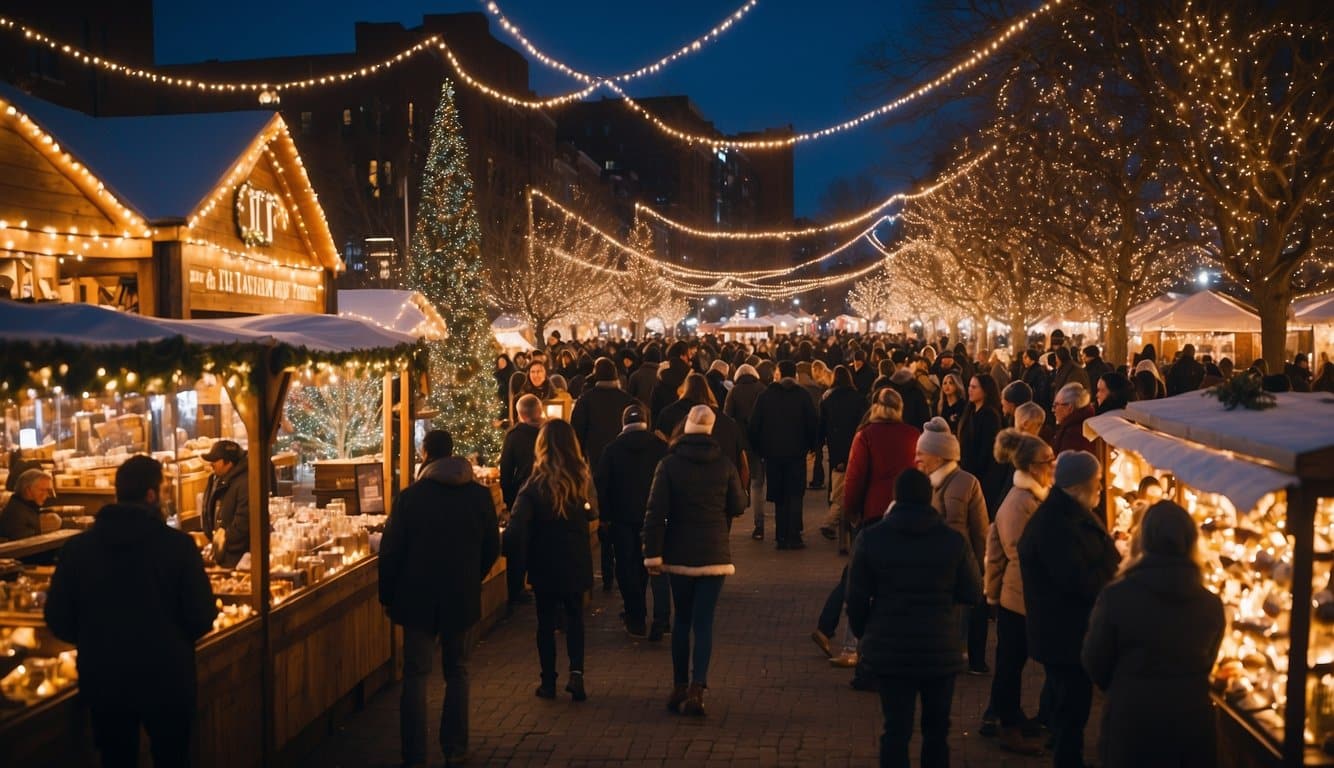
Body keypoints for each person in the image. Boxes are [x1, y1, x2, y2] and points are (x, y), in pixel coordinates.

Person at [44, 455, 215, 768]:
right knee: (172, 758)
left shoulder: (77, 550)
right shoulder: (177, 546)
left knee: (116, 759)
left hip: (105, 678)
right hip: (167, 677)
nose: (165, 497)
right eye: (164, 491)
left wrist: (92, 640)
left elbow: (57, 617)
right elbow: (202, 615)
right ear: (150, 495)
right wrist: (173, 641)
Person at [379, 429, 500, 768]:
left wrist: (388, 595)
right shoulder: (478, 496)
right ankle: (455, 747)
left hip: (416, 598)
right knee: (457, 671)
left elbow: (391, 552)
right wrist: (471, 578)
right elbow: (492, 545)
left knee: (416, 675)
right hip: (460, 596)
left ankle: (414, 754)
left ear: (425, 454)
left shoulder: (411, 498)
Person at [846, 468, 983, 768]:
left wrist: (866, 631)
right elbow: (973, 591)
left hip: (890, 647)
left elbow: (855, 598)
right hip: (939, 648)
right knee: (937, 732)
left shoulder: (872, 538)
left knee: (895, 730)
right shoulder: (952, 541)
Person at [1082, 501, 1224, 768]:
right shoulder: (1210, 604)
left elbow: (1095, 660)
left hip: (1134, 719)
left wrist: (1124, 684)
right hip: (1191, 721)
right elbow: (1209, 660)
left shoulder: (1117, 597)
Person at [1018, 450, 1121, 768]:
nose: (1101, 488)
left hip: (1066, 629)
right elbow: (1075, 579)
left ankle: (1067, 753)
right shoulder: (1056, 524)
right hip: (1064, 631)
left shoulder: (1070, 514)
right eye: (1097, 482)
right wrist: (1112, 570)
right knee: (1071, 704)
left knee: (1070, 702)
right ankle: (1067, 758)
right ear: (1079, 485)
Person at [644, 405, 747, 717]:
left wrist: (653, 553)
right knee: (704, 622)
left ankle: (678, 684)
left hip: (679, 552)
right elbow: (739, 503)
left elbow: (655, 512)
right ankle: (697, 687)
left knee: (682, 620)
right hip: (714, 553)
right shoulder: (724, 464)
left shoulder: (669, 464)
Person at [514, 419, 598, 702]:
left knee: (545, 622)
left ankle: (548, 680)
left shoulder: (534, 483)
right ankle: (577, 674)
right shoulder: (582, 478)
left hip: (544, 561)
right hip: (575, 558)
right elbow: (593, 513)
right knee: (575, 618)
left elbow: (518, 523)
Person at [982, 429, 1055, 755]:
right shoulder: (1020, 502)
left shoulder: (1032, 498)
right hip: (1020, 596)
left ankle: (1003, 714)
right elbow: (1014, 552)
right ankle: (1006, 723)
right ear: (1032, 466)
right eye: (1047, 461)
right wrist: (994, 596)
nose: (1052, 466)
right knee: (1011, 663)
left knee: (1013, 660)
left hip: (1020, 594)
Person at [915, 417, 989, 676]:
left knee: (967, 607)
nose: (917, 458)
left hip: (960, 558)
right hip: (941, 559)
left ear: (938, 455)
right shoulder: (924, 483)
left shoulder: (967, 482)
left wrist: (981, 564)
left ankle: (970, 658)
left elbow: (980, 530)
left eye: (922, 453)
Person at [596, 405, 671, 640]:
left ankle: (635, 615)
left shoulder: (612, 449)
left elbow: (602, 486)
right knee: (647, 563)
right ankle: (655, 614)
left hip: (621, 517)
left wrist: (605, 517)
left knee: (625, 564)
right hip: (653, 517)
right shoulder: (660, 448)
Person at [570, 358, 639, 595]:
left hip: (596, 466)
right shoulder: (627, 400)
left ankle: (607, 570)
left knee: (604, 516)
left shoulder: (586, 400)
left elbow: (575, 434)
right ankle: (623, 568)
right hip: (627, 468)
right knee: (621, 515)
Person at [749, 360, 819, 549]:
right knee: (795, 493)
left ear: (779, 373)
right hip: (797, 453)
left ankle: (781, 535)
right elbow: (812, 423)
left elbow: (755, 425)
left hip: (773, 455)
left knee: (779, 495)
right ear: (794, 374)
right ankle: (794, 535)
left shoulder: (766, 395)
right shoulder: (803, 395)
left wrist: (759, 449)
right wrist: (812, 446)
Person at [499, 394, 544, 606]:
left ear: (520, 414)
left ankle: (517, 589)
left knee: (520, 542)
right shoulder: (551, 431)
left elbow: (506, 471)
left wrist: (509, 501)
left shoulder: (514, 435)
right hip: (548, 493)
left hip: (522, 494)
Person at [817, 366, 868, 544]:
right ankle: (848, 525)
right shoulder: (859, 399)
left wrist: (818, 445)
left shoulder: (828, 399)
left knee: (836, 486)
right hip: (855, 447)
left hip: (835, 448)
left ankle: (835, 524)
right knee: (855, 483)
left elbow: (821, 427)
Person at [724, 362, 768, 538]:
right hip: (758, 443)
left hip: (740, 443)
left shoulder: (733, 391)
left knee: (738, 479)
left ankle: (738, 508)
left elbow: (727, 417)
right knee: (758, 483)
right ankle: (759, 525)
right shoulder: (762, 389)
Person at [957, 373, 1006, 513]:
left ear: (985, 391)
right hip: (966, 468)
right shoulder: (970, 411)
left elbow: (986, 450)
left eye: (974, 387)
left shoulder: (990, 416)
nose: (970, 390)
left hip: (981, 475)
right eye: (969, 386)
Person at [201, 439, 249, 568]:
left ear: (228, 462)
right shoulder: (218, 479)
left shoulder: (245, 483)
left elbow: (243, 523)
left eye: (215, 460)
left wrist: (224, 538)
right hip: (224, 555)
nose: (211, 464)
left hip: (237, 559)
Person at [0, 468, 54, 541]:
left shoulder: (23, 506)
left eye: (48, 491)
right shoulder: (17, 513)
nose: (46, 495)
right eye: (42, 490)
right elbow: (25, 547)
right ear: (28, 490)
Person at [1051, 384, 1097, 455]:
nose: (1053, 410)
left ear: (1069, 407)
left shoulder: (1073, 434)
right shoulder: (1083, 425)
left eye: (1056, 405)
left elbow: (1065, 463)